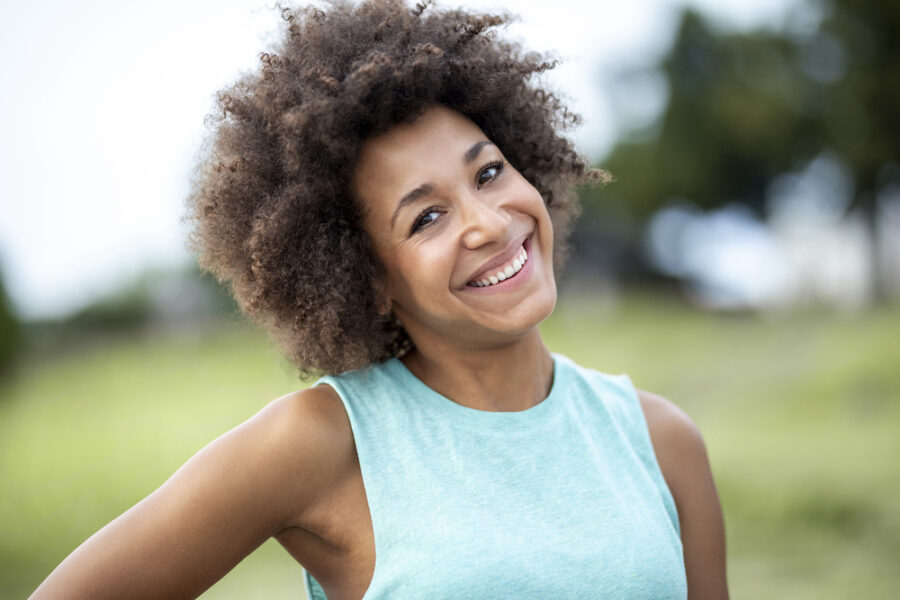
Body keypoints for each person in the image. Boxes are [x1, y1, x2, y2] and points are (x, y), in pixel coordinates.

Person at [30, 1, 728, 598]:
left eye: (488, 172)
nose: (488, 224)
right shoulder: (322, 443)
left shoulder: (660, 440)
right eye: (427, 218)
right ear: (366, 279)